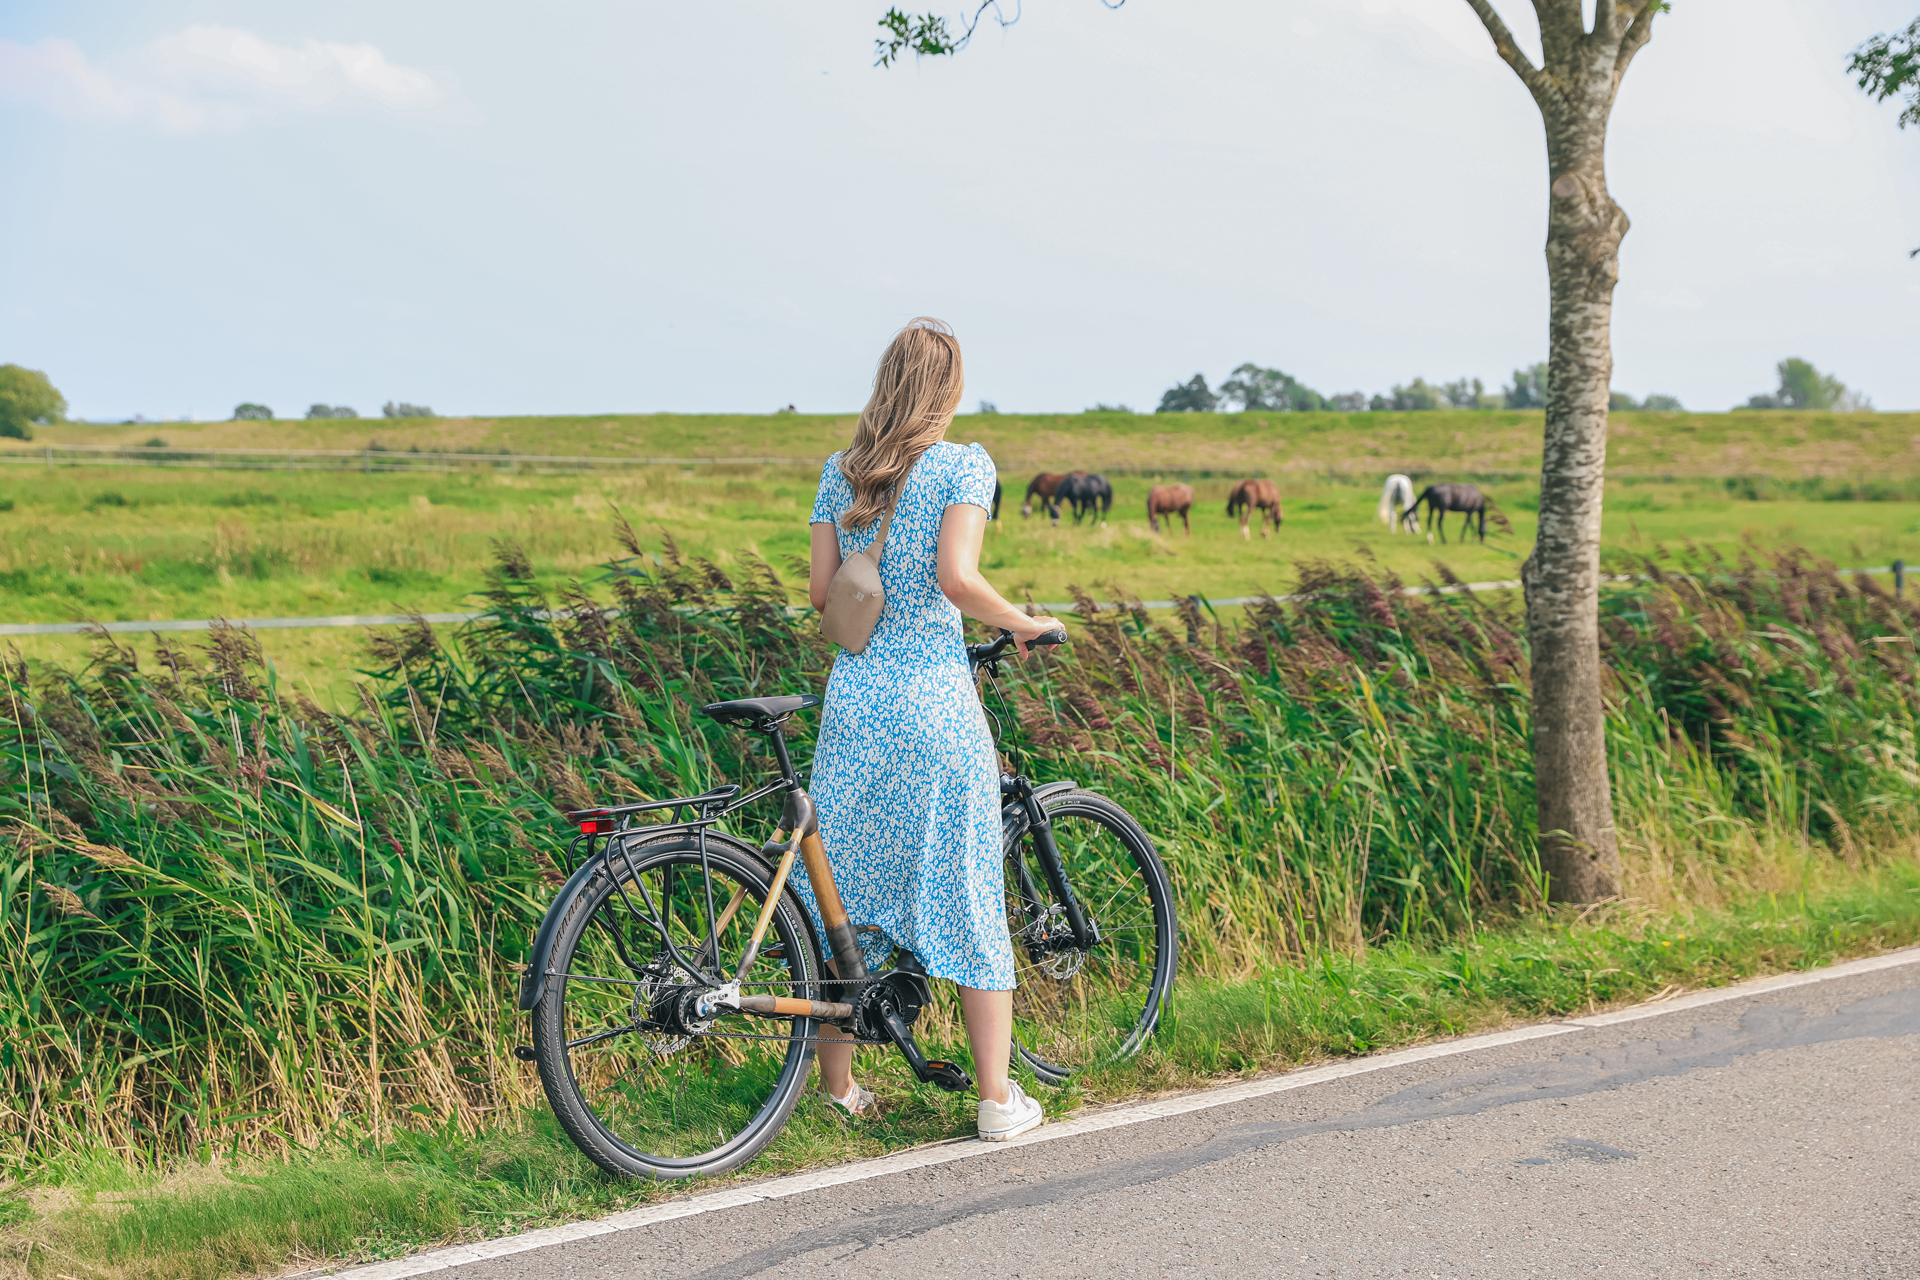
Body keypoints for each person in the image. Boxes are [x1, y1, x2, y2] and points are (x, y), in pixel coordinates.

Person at [802, 317, 1063, 1142]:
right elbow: (957, 578)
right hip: (930, 707)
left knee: (843, 901)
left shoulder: (837, 474)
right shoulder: (962, 464)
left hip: (853, 710)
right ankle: (996, 1098)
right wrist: (1020, 621)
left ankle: (838, 1089)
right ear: (947, 391)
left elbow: (821, 596)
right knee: (969, 888)